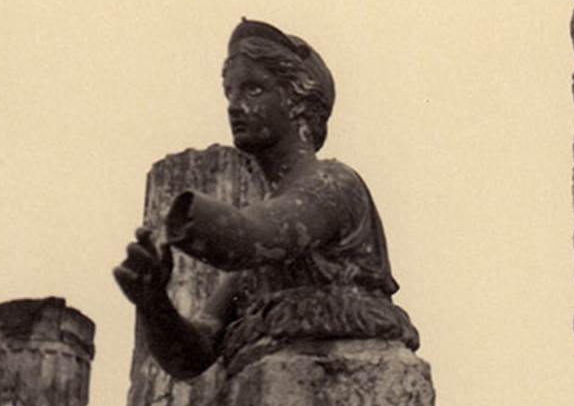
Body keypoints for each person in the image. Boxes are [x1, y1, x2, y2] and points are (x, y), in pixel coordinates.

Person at [113, 19, 416, 379]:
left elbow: (247, 237)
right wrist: (153, 303)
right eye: (229, 92)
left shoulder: (332, 184)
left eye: (254, 89)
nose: (234, 105)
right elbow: (194, 355)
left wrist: (178, 222)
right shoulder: (265, 237)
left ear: (300, 103)